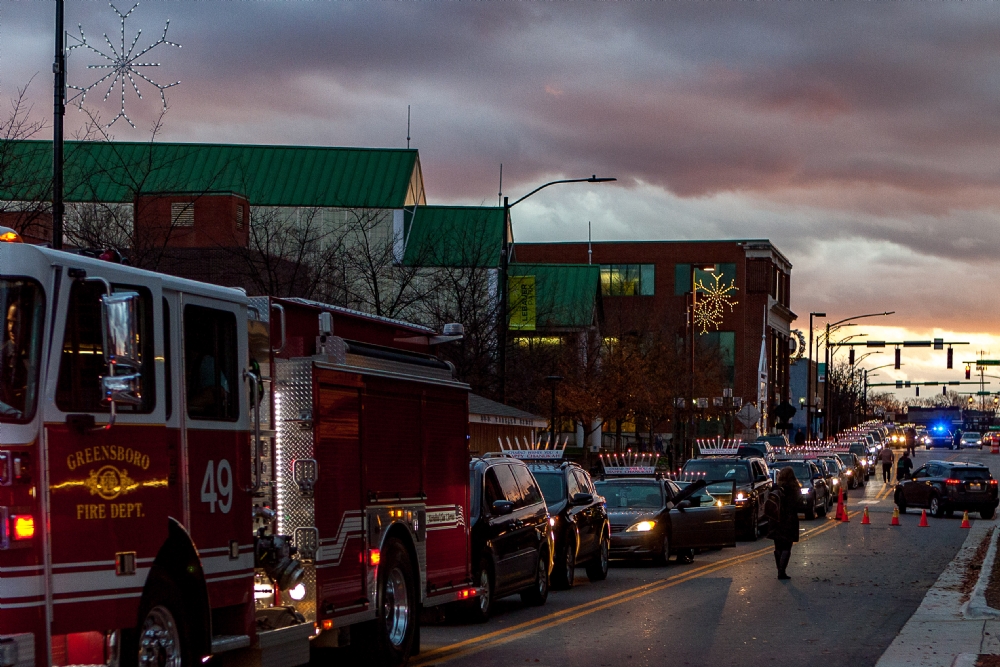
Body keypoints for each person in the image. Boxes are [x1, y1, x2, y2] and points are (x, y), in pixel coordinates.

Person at [766, 467, 801, 580]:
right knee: (787, 546)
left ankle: (779, 570)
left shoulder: (775, 488)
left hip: (776, 520)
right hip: (789, 520)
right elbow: (798, 504)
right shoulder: (794, 489)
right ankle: (782, 571)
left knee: (778, 546)